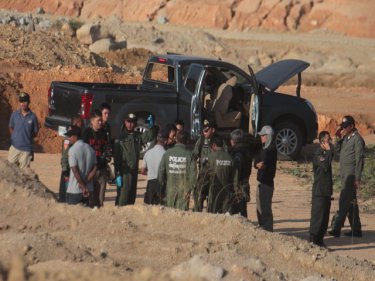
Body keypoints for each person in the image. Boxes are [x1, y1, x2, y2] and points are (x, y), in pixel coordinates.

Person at [329, 115, 365, 238]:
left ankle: (336, 228)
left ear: (352, 126)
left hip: (351, 177)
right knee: (351, 203)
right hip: (344, 175)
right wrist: (338, 138)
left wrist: (357, 178)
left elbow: (359, 160)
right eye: (342, 126)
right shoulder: (346, 138)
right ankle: (356, 229)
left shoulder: (358, 140)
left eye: (345, 126)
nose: (343, 128)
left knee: (344, 201)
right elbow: (337, 153)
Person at [114, 113, 156, 206]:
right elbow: (117, 157)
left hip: (134, 171)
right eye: (128, 122)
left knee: (132, 197)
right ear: (125, 122)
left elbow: (149, 137)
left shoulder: (137, 136)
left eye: (132, 122)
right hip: (124, 172)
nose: (130, 124)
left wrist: (151, 127)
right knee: (122, 198)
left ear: (135, 124)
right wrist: (117, 173)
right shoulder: (120, 138)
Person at [192, 119, 226, 211]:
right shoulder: (201, 139)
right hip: (203, 174)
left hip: (216, 175)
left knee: (213, 198)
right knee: (197, 194)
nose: (204, 132)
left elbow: (225, 156)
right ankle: (197, 213)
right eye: (203, 130)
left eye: (206, 130)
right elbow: (194, 154)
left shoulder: (220, 141)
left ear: (213, 130)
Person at [158, 130, 197, 210]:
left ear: (176, 139)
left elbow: (161, 172)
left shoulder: (167, 153)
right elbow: (193, 175)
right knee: (181, 218)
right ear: (187, 141)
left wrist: (162, 187)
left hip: (169, 191)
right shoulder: (190, 155)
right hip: (184, 192)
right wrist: (189, 189)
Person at [309, 131, 334, 247]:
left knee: (324, 217)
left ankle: (320, 241)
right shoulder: (318, 153)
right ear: (322, 142)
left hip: (326, 190)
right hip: (319, 191)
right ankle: (313, 241)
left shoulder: (326, 152)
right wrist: (328, 151)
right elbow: (324, 166)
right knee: (317, 217)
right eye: (328, 140)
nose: (330, 142)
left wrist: (329, 151)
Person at [83, 109, 109, 208]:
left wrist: (107, 155)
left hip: (102, 169)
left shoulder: (103, 132)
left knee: (100, 200)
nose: (100, 122)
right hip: (91, 170)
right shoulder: (87, 133)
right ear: (92, 120)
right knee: (90, 198)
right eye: (98, 120)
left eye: (101, 120)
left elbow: (106, 147)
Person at [254, 125, 277, 232]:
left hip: (266, 184)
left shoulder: (271, 150)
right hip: (261, 183)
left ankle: (268, 231)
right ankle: (262, 228)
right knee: (259, 208)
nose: (261, 137)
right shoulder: (263, 148)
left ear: (268, 136)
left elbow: (262, 165)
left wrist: (258, 165)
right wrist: (256, 164)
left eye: (263, 135)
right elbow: (256, 162)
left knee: (265, 210)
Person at [66, 126, 97, 205]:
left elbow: (75, 170)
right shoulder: (91, 149)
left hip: (75, 190)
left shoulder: (72, 150)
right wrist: (86, 183)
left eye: (70, 136)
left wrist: (83, 186)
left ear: (75, 136)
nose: (68, 138)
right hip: (89, 190)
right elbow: (94, 168)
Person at [8, 92, 39, 170]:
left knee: (24, 175)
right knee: (10, 172)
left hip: (26, 150)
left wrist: (26, 139)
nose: (23, 104)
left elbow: (35, 133)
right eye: (21, 101)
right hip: (14, 148)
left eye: (25, 101)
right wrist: (14, 137)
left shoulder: (33, 117)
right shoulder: (14, 114)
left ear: (28, 102)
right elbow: (11, 127)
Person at [206, 135, 235, 214]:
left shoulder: (210, 157)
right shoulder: (230, 157)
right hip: (227, 191)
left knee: (213, 216)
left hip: (214, 193)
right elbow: (234, 177)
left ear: (214, 145)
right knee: (226, 218)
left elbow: (205, 176)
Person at [229, 129, 254, 218]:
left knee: (237, 210)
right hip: (245, 183)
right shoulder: (247, 150)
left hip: (239, 186)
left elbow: (236, 173)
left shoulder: (238, 154)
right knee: (243, 209)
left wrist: (235, 188)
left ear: (233, 141)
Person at [58, 117, 83, 203]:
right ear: (75, 124)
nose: (82, 126)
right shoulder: (67, 140)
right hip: (68, 170)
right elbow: (64, 156)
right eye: (80, 124)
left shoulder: (79, 136)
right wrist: (65, 171)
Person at [142, 129, 166, 204]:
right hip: (162, 183)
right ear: (165, 141)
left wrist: (150, 172)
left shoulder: (147, 153)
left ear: (157, 139)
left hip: (150, 183)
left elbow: (143, 171)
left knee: (149, 208)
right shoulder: (166, 154)